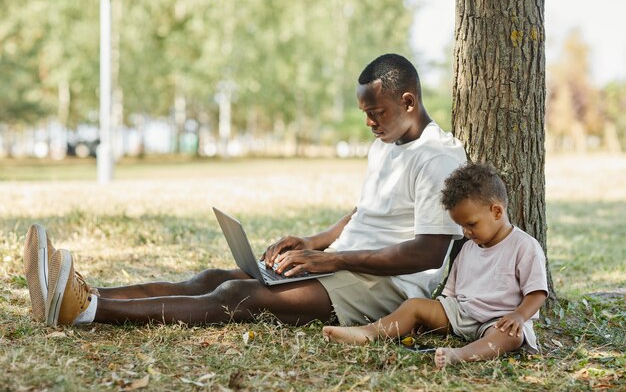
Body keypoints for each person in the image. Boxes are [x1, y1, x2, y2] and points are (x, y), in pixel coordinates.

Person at [23, 53, 467, 328]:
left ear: (408, 102)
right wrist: (312, 243)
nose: (370, 123)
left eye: (377, 112)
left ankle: (82, 312)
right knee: (211, 279)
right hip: (344, 266)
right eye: (365, 114)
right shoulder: (387, 145)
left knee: (237, 297)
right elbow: (367, 212)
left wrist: (329, 259)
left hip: (387, 286)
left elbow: (428, 253)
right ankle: (86, 294)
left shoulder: (438, 159)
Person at [322, 163, 548, 368]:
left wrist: (519, 316)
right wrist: (432, 317)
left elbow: (537, 291)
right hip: (462, 313)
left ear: (497, 211)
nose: (466, 232)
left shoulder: (524, 246)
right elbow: (450, 293)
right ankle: (368, 333)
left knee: (511, 336)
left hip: (499, 320)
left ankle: (460, 354)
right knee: (415, 306)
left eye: (471, 224)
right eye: (461, 226)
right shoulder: (468, 248)